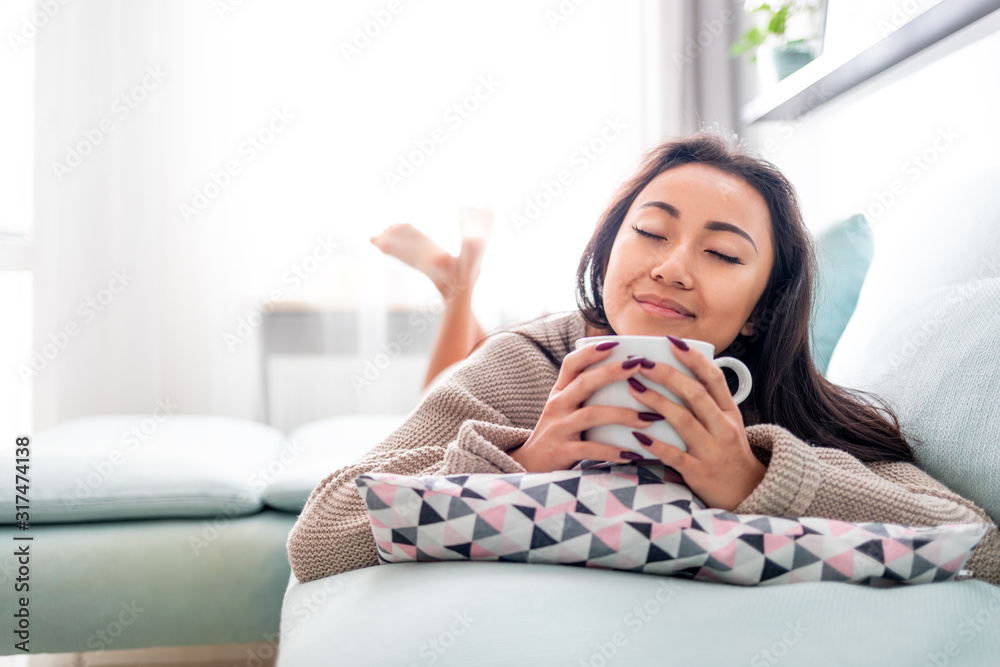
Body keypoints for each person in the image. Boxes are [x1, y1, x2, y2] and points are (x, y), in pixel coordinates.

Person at [287, 130, 999, 586]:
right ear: (606, 254)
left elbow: (983, 550)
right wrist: (525, 462)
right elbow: (319, 534)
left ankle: (456, 285)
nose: (671, 267)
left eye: (721, 253)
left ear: (758, 311)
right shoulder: (530, 361)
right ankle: (457, 288)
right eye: (650, 233)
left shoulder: (789, 412)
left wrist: (753, 477)